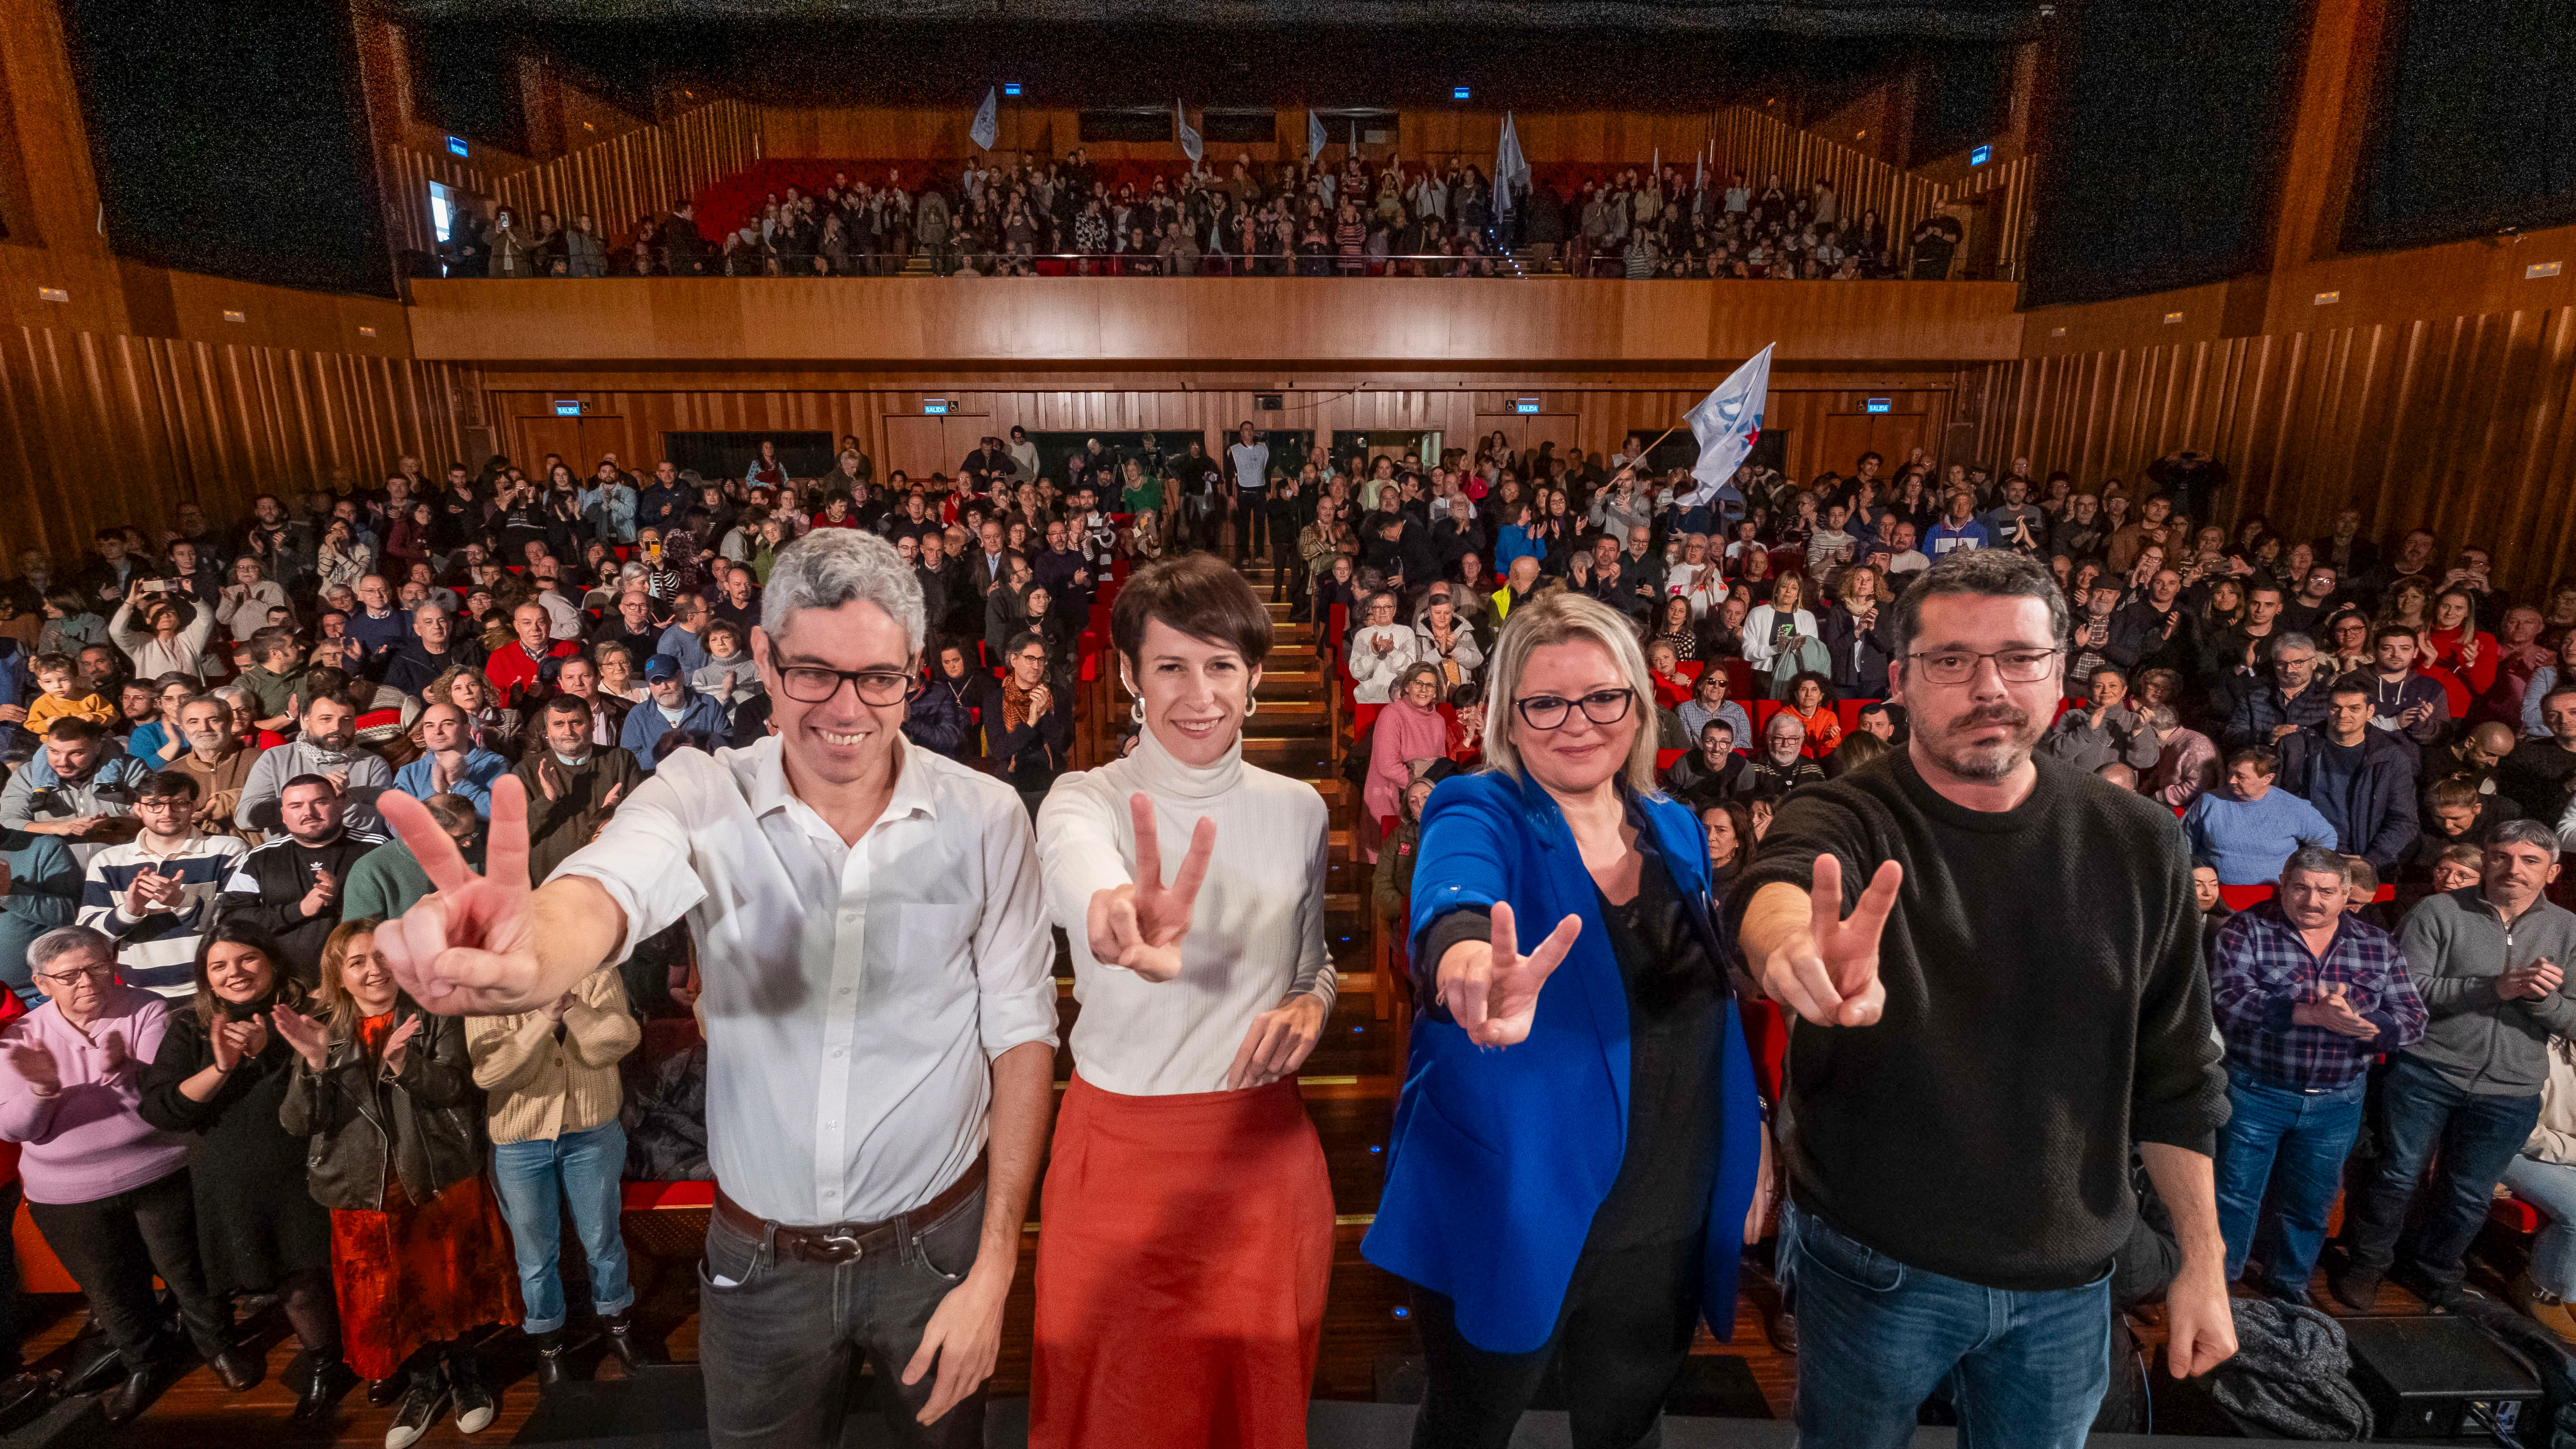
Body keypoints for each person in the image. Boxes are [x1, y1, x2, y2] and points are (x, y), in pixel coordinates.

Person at [368, 528, 1057, 1447]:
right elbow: (609, 888)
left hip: (937, 1249)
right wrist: (534, 947)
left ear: (913, 672)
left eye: (878, 677)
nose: (847, 709)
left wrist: (995, 1270)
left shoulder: (987, 816)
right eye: (814, 672)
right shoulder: (698, 790)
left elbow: (1020, 1035)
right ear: (764, 661)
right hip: (759, 1264)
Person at [1728, 549, 2233, 1445]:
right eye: (1952, 660)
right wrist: (1793, 952)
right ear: (1900, 682)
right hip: (1871, 1263)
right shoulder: (1848, 811)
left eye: (2018, 657)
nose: (1987, 685)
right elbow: (1777, 883)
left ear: (2058, 672)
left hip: (2071, 1276)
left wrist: (2202, 1262)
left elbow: (2178, 1075)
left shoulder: (2142, 841)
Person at [1364, 590, 1763, 1448]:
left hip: (1664, 1204)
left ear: (1637, 702)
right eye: (1544, 701)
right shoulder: (1478, 807)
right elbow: (1454, 902)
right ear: (1508, 712)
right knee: (1469, 1424)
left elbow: (1707, 1005)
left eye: (1601, 697)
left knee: (1624, 1430)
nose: (1576, 722)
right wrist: (1468, 966)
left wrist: (1753, 1128)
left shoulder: (1674, 826)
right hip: (1517, 1194)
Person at [1029, 555, 1336, 1448]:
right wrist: (1114, 914)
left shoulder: (1300, 810)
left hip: (1262, 1163)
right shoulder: (1084, 799)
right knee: (1110, 1414)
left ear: (1252, 677)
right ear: (1129, 674)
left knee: (1257, 1418)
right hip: (1118, 1161)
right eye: (1170, 666)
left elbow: (1310, 965)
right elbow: (1078, 874)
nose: (1197, 693)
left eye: (1219, 666)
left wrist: (1310, 1009)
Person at [0, 926, 258, 1425]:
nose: (87, 982)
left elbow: (161, 1098)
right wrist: (43, 1091)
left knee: (190, 1272)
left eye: (97, 967)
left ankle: (218, 1346)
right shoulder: (20, 1037)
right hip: (67, 1193)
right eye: (69, 975)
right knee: (111, 1289)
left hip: (158, 1167)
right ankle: (143, 1363)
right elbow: (15, 1129)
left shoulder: (145, 1007)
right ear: (41, 982)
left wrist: (120, 1072)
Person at [274, 920, 513, 1446]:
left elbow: (456, 1089)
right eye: (357, 961)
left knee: (452, 1283)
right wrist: (316, 1062)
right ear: (339, 974)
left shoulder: (432, 1013)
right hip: (362, 1188)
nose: (373, 970)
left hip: (434, 1176)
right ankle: (423, 1386)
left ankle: (468, 1378)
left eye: (382, 958)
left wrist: (406, 1066)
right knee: (391, 1296)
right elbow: (297, 1123)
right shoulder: (322, 1028)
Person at [2337, 820, 2576, 1312]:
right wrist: (2494, 987)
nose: (2513, 869)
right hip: (2427, 1072)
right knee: (2396, 1175)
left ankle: (2429, 1270)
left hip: (2511, 1087)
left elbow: (2572, 1018)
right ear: (2484, 860)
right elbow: (2402, 992)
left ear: (2551, 872)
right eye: (2500, 857)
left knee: (2467, 1195)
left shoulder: (2569, 931)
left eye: (2529, 860)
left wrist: (2541, 1001)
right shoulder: (2437, 911)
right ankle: (2366, 1265)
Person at [135, 923, 352, 1419]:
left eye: (247, 959)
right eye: (219, 965)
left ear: (272, 962)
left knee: (346, 1268)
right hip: (237, 1178)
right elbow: (162, 1112)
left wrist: (281, 1048)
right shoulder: (189, 1027)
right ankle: (325, 1363)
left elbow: (350, 1087)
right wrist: (222, 1066)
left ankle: (377, 1354)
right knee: (291, 1279)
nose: (235, 973)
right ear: (205, 979)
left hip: (319, 1166)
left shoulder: (314, 1014)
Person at [2207, 847, 2425, 1305]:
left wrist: (2371, 1028)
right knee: (2233, 1197)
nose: (2312, 899)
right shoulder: (2246, 930)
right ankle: (2217, 1288)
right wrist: (2310, 1015)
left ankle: (2288, 1288)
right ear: (2282, 883)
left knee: (2309, 1205)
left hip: (2336, 1100)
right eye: (2301, 887)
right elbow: (2228, 1000)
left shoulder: (2375, 943)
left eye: (2326, 891)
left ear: (2346, 894)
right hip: (2254, 1090)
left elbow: (2411, 1016)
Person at [468, 957, 645, 1387]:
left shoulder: (596, 970)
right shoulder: (487, 983)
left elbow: (618, 1041)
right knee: (535, 1255)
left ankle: (616, 1325)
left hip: (592, 1131)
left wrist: (572, 1008)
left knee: (603, 1239)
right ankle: (548, 1344)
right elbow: (491, 1071)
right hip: (519, 1141)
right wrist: (544, 1019)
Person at [78, 770, 248, 998]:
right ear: (138, 809)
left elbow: (239, 924)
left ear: (194, 805)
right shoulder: (108, 860)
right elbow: (89, 936)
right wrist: (130, 912)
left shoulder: (228, 850)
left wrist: (181, 902)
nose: (167, 813)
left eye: (179, 804)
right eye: (154, 805)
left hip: (213, 989)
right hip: (139, 993)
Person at [214, 776, 390, 982]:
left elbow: (404, 913)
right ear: (283, 815)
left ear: (341, 804)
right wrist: (300, 910)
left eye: (320, 802)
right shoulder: (260, 858)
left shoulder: (377, 849)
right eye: (296, 806)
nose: (309, 813)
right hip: (289, 986)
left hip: (368, 980)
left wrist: (343, 900)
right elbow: (232, 920)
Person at [2273, 678, 2421, 876]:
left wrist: (2371, 860)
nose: (2344, 715)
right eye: (2336, 707)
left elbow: (2404, 820)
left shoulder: (2391, 757)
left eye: (2354, 708)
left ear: (2370, 712)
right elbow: (2276, 807)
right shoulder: (2297, 747)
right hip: (2306, 859)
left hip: (2363, 862)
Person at [512, 696, 642, 884]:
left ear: (592, 725)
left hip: (611, 879)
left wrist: (611, 813)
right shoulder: (526, 772)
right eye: (559, 724)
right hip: (552, 884)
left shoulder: (621, 761)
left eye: (576, 722)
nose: (568, 732)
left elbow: (643, 821)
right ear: (547, 731)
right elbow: (515, 836)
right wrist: (547, 800)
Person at [236, 688, 396, 837]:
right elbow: (244, 818)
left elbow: (383, 826)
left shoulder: (373, 764)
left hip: (352, 857)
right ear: (306, 722)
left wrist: (344, 803)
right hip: (289, 856)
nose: (336, 727)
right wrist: (304, 800)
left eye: (346, 720)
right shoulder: (276, 759)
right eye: (326, 719)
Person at [2184, 747, 2340, 885]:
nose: (2231, 781)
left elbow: (2326, 839)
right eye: (2230, 773)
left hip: (2271, 897)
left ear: (2267, 779)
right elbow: (2186, 841)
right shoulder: (2210, 802)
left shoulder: (2293, 808)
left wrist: (2302, 872)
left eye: (2241, 777)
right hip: (2215, 894)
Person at [1366, 663, 1450, 861]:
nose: (1424, 690)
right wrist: (1422, 790)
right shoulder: (1391, 714)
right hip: (1392, 793)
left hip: (1425, 793)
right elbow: (1388, 767)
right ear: (1407, 687)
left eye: (1430, 686)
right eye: (1418, 683)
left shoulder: (1439, 721)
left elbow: (1441, 765)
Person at [392, 702, 511, 817]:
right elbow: (397, 823)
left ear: (466, 729)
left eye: (447, 724)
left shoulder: (495, 764)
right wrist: (436, 796)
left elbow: (502, 814)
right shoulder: (410, 773)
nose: (437, 731)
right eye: (430, 726)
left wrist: (459, 783)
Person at [2036, 666, 2161, 774]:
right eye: (2099, 686)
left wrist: (2138, 732)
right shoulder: (2074, 716)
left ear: (2124, 691)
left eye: (2113, 686)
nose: (2106, 691)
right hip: (2076, 788)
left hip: (2116, 794)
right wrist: (2087, 729)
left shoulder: (2136, 721)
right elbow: (2057, 754)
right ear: (2089, 690)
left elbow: (2146, 762)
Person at [618, 654, 729, 771]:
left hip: (706, 778)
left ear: (681, 676)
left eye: (669, 678)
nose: (664, 687)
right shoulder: (638, 716)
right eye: (656, 681)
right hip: (661, 785)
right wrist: (660, 751)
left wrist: (699, 744)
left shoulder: (708, 705)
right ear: (650, 685)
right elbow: (627, 762)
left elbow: (728, 745)